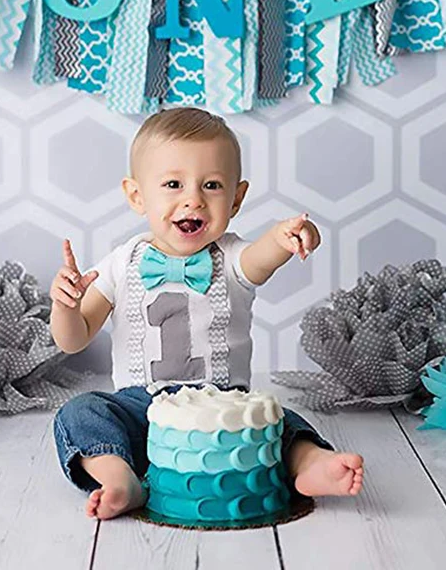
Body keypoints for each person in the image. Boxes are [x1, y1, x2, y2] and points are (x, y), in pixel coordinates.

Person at [51, 107, 364, 520]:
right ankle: (120, 478)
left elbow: (262, 256)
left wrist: (284, 237)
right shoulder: (120, 263)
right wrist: (66, 306)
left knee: (280, 420)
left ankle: (310, 465)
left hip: (226, 409)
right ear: (137, 196)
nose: (193, 199)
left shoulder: (232, 257)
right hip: (141, 410)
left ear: (236, 198)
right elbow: (73, 339)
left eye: (212, 185)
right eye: (173, 184)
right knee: (80, 413)